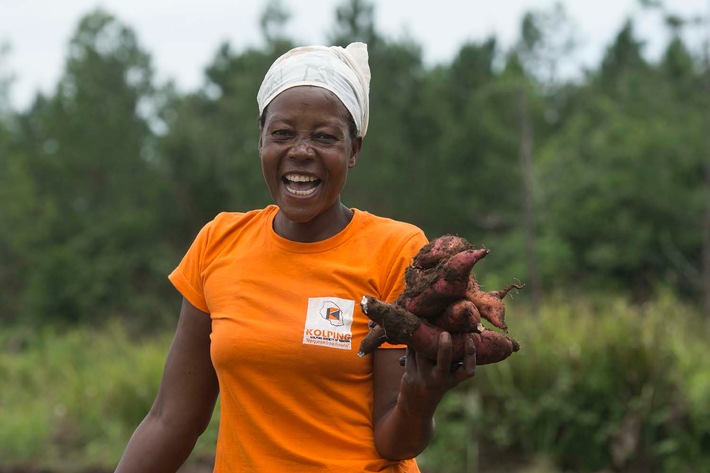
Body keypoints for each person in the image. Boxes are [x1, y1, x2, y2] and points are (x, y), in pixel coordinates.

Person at [114, 42, 476, 473]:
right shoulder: (219, 242)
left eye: (324, 137)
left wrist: (422, 397)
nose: (301, 151)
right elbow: (170, 419)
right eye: (283, 133)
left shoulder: (395, 250)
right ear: (262, 139)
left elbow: (395, 440)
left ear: (354, 150)